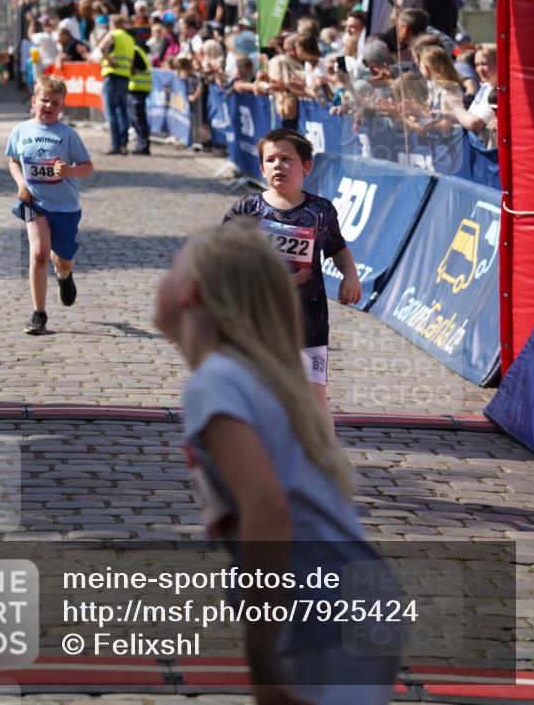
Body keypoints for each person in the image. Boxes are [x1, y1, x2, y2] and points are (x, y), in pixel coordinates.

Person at [154, 222, 399, 705]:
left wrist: (260, 652)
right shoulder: (257, 378)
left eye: (170, 268)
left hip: (318, 607)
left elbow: (267, 510)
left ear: (191, 292)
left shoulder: (215, 382)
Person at [223, 129, 361, 429]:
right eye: (270, 159)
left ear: (306, 166)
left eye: (286, 159)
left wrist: (351, 275)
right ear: (261, 168)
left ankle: (323, 452)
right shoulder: (248, 208)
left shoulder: (320, 210)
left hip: (309, 320)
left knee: (314, 394)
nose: (278, 165)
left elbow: (337, 247)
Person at [6, 75, 94, 335]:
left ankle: (64, 276)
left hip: (65, 207)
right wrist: (21, 184)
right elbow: (13, 161)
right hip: (35, 202)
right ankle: (39, 314)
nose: (49, 106)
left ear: (62, 107)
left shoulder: (68, 135)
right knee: (39, 253)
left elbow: (87, 167)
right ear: (34, 101)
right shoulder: (21, 130)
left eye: (55, 103)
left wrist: (69, 171)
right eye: (45, 100)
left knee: (62, 260)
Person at [97, 15, 135, 155]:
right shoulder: (129, 38)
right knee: (123, 110)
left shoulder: (113, 34)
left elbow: (102, 47)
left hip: (112, 75)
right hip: (125, 76)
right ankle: (124, 144)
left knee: (111, 111)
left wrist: (109, 60)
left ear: (113, 23)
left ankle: (115, 144)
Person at [127, 26, 152, 155]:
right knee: (136, 119)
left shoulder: (134, 50)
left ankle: (143, 146)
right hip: (138, 89)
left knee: (139, 119)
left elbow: (135, 69)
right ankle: (141, 144)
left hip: (138, 89)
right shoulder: (137, 49)